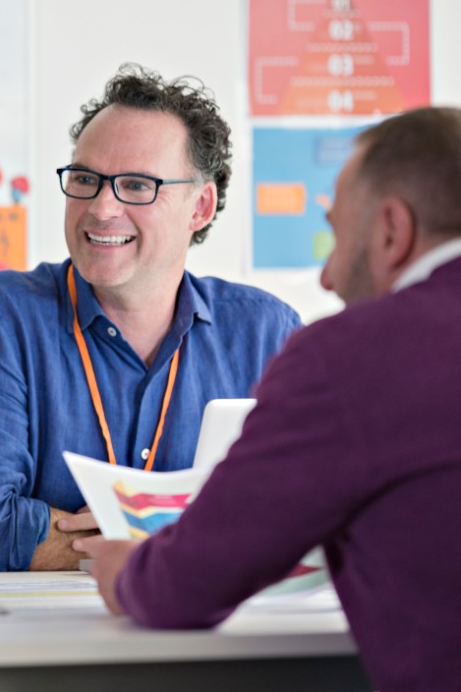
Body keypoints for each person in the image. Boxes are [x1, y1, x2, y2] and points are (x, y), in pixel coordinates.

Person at [85, 106, 461, 692]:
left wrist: (130, 570)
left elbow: (188, 584)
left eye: (339, 235)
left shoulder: (354, 354)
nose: (328, 278)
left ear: (391, 231)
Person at [0, 66, 301, 571]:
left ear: (200, 207)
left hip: (216, 637)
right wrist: (186, 543)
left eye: (137, 185)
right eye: (85, 179)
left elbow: (308, 517)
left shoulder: (266, 334)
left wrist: (119, 541)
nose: (101, 208)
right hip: (39, 643)